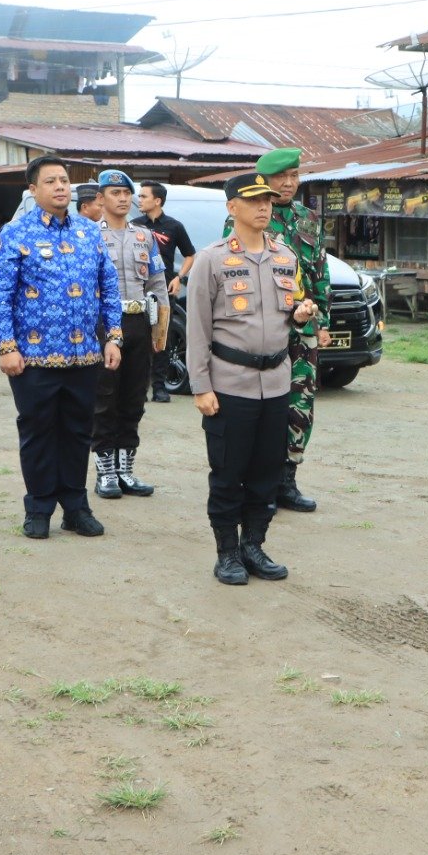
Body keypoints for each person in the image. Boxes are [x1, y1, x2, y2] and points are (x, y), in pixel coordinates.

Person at [189, 172, 319, 585]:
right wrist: (201, 387)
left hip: (276, 384)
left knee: (267, 473)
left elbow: (288, 315)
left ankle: (254, 546)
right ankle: (227, 552)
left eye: (267, 199)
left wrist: (300, 315)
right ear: (232, 208)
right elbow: (197, 329)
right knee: (228, 474)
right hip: (230, 385)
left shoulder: (285, 256)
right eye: (253, 200)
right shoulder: (211, 259)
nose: (264, 206)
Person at [0, 156, 122, 540]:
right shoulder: (16, 233)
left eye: (64, 180)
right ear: (33, 190)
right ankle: (39, 507)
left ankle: (76, 508)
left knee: (79, 433)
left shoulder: (89, 231)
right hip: (33, 358)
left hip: (85, 356)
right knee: (39, 433)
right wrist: (7, 347)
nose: (61, 186)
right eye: (51, 181)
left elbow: (109, 287)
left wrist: (113, 337)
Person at [230, 148, 331, 513]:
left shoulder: (308, 218)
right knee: (258, 405)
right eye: (280, 177)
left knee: (300, 402)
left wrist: (323, 322)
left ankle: (287, 479)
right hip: (264, 327)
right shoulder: (248, 217)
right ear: (265, 181)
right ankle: (257, 482)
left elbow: (319, 270)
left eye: (294, 176)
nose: (288, 183)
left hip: (303, 327)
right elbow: (234, 273)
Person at [91, 169, 168, 499]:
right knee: (104, 398)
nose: (123, 199)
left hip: (138, 322)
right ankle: (105, 472)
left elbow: (157, 283)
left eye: (126, 193)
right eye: (115, 193)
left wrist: (160, 329)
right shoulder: (89, 235)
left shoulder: (144, 236)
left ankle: (126, 471)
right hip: (102, 325)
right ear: (101, 198)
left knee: (134, 397)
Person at [132, 179, 196, 402]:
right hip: (137, 289)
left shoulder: (174, 226)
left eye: (143, 196)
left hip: (164, 290)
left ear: (157, 201)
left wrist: (180, 278)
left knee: (162, 339)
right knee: (138, 339)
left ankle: (159, 387)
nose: (139, 200)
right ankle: (138, 388)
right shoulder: (134, 225)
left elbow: (190, 255)